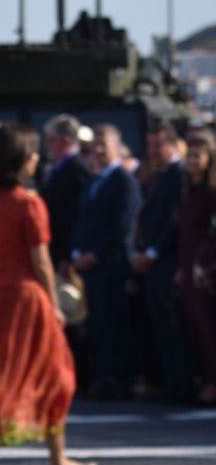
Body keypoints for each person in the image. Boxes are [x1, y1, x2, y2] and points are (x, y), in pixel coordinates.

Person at [0, 123, 97, 465]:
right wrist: (54, 304)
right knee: (57, 376)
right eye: (33, 154)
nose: (37, 160)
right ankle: (58, 462)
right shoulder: (29, 203)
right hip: (26, 298)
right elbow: (42, 262)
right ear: (20, 160)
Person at [72, 123, 142, 399]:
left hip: (112, 265)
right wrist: (77, 251)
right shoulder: (93, 181)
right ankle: (103, 375)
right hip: (90, 266)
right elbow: (82, 222)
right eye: (94, 146)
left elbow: (122, 226)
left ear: (117, 147)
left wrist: (95, 254)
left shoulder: (124, 181)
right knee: (98, 324)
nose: (98, 151)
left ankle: (118, 379)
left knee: (115, 324)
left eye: (104, 145)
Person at [132, 123, 190, 402]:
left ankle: (181, 383)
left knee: (173, 326)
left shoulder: (177, 175)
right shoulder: (159, 175)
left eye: (159, 145)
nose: (153, 151)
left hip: (166, 261)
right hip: (153, 261)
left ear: (173, 144)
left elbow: (173, 221)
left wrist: (154, 252)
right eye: (151, 145)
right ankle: (170, 381)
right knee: (160, 327)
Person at [40, 114, 93, 387]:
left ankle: (77, 376)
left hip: (66, 255)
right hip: (56, 251)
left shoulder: (76, 169)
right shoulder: (59, 168)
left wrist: (68, 255)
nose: (47, 145)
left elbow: (76, 217)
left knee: (73, 316)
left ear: (64, 141)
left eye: (51, 140)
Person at [176, 131, 216, 404]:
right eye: (189, 154)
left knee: (209, 327)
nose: (192, 160)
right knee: (195, 327)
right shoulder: (187, 189)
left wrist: (205, 264)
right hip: (188, 266)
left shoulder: (211, 193)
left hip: (206, 270)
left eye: (197, 155)